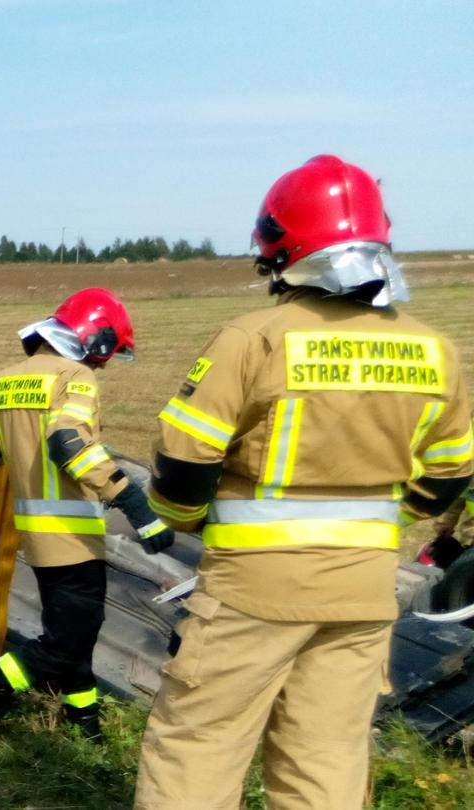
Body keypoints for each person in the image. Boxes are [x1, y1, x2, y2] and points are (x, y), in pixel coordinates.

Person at [134, 155, 474, 809]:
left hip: (253, 591)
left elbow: (183, 468)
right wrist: (389, 525)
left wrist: (180, 518)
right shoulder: (435, 350)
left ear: (278, 251)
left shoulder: (253, 339)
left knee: (198, 746)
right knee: (324, 760)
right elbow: (453, 471)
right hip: (363, 592)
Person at [0, 288, 174, 743]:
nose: (104, 365)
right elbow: (69, 445)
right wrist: (136, 506)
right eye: (107, 354)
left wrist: (21, 441)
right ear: (94, 340)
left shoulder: (6, 378)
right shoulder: (75, 376)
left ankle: (85, 726)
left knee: (74, 636)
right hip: (70, 537)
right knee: (61, 647)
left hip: (34, 536)